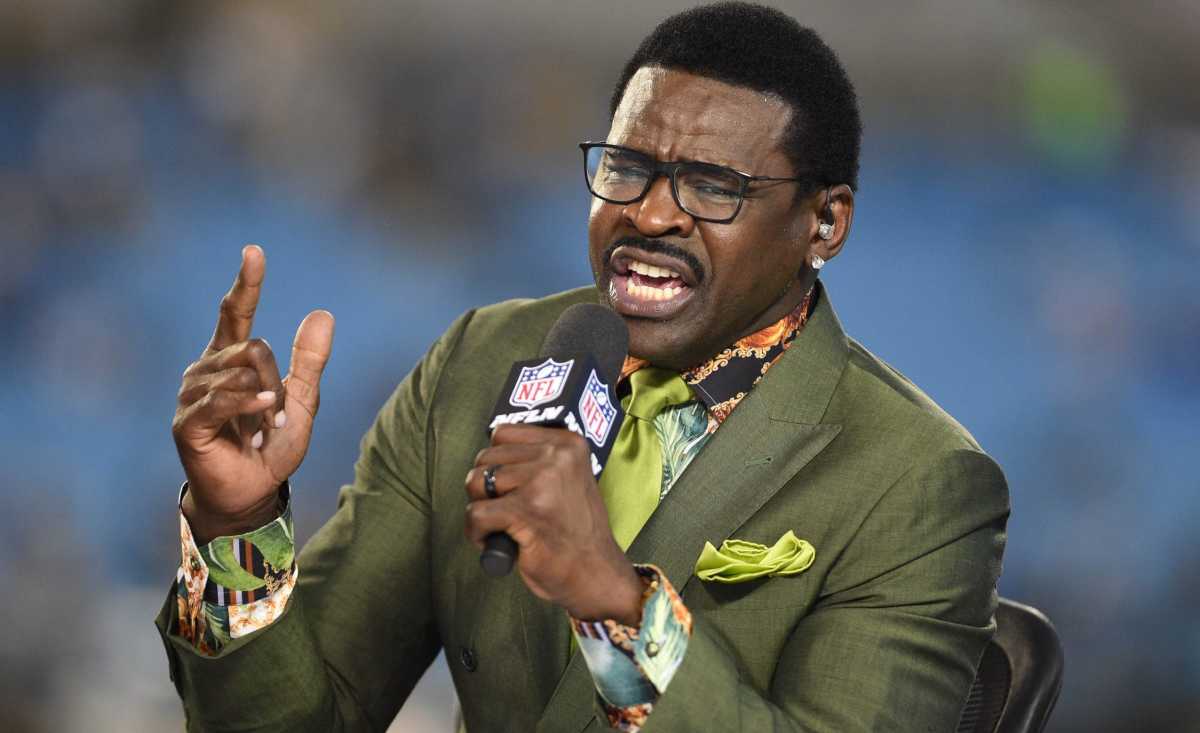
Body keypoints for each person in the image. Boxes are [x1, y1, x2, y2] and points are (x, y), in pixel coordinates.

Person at [158, 3, 1009, 731]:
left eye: (712, 186)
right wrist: (238, 524)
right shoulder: (479, 361)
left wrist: (615, 604)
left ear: (823, 223)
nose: (648, 212)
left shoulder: (921, 482)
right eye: (628, 166)